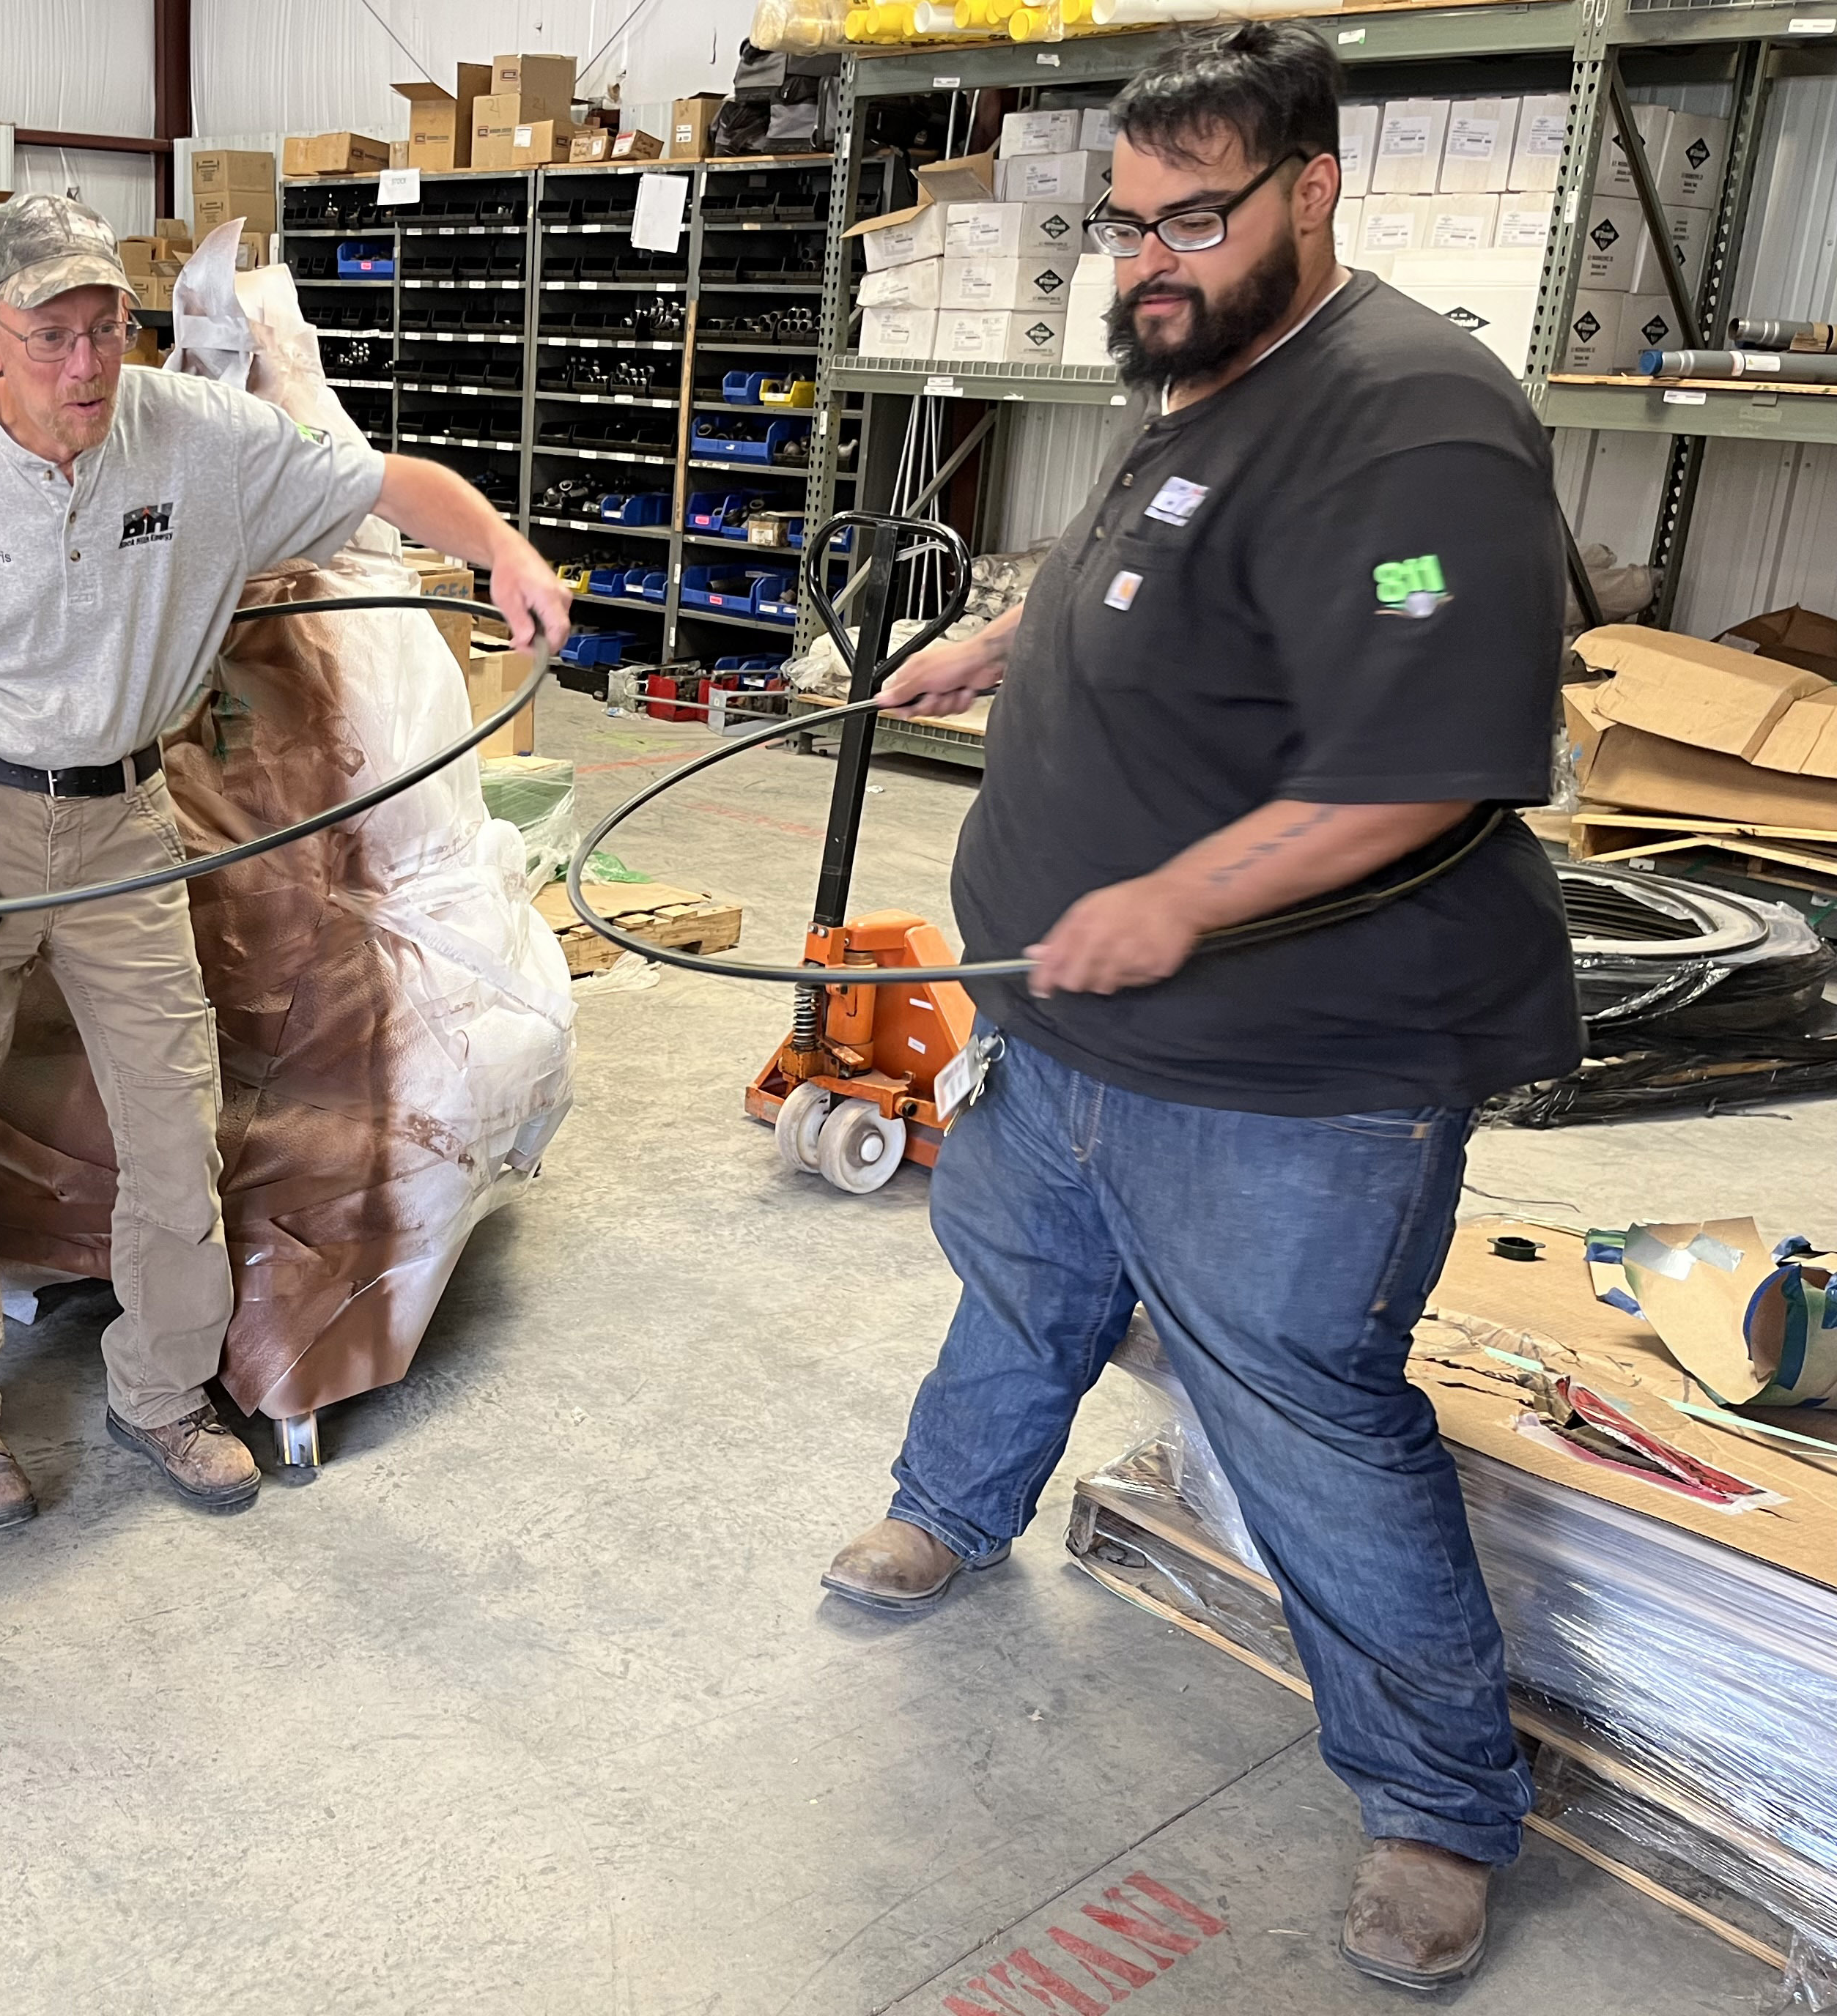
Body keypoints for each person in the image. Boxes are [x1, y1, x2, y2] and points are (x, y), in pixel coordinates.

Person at [824, 23, 1581, 1993]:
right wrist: (1017, 630)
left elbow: (1434, 761)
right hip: (1067, 1028)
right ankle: (950, 1511)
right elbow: (1158, 548)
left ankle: (1435, 1804)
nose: (1151, 254)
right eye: (1128, 219)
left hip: (1286, 1071)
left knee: (1306, 1419)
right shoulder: (1210, 363)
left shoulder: (1415, 423)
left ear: (1314, 189)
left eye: (1198, 213)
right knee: (1018, 1278)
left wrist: (1173, 897)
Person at [0, 196, 568, 1535]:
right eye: (52, 334)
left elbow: (383, 482)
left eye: (108, 328)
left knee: (176, 1121)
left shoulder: (195, 437)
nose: (87, 364)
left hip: (123, 830)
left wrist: (502, 547)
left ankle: (163, 1389)